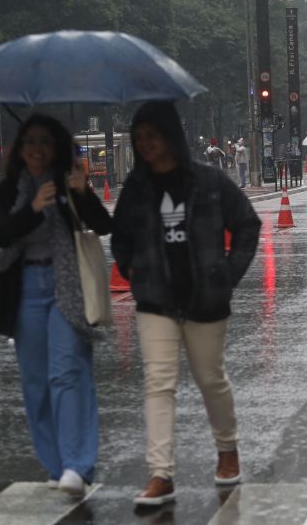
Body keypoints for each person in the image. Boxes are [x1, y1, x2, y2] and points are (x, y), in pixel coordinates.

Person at [112, 101, 262, 506]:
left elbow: (248, 224)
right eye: (139, 138)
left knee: (210, 379)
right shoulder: (137, 187)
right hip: (155, 302)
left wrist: (227, 276)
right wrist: (135, 274)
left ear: (170, 136)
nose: (145, 145)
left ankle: (227, 450)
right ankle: (161, 473)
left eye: (152, 136)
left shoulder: (209, 181)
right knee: (159, 384)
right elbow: (120, 236)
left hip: (205, 300)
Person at [0, 114, 112, 496]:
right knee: (37, 383)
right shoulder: (12, 187)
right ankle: (56, 465)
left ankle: (78, 463)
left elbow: (102, 224)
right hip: (25, 286)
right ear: (20, 149)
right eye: (30, 143)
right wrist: (33, 209)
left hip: (66, 285)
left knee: (67, 373)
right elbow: (0, 234)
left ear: (55, 146)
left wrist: (82, 192)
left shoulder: (67, 180)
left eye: (44, 142)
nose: (37, 149)